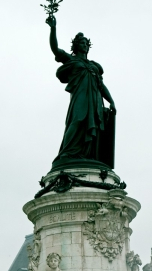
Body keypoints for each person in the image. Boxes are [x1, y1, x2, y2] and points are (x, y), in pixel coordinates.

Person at [46, 15, 116, 166]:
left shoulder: (94, 66)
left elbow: (101, 86)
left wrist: (111, 101)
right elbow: (55, 49)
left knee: (94, 126)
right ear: (76, 45)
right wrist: (53, 29)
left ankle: (87, 155)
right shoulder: (71, 60)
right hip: (80, 97)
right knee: (77, 120)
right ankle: (67, 153)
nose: (84, 45)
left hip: (95, 99)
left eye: (86, 43)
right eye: (81, 43)